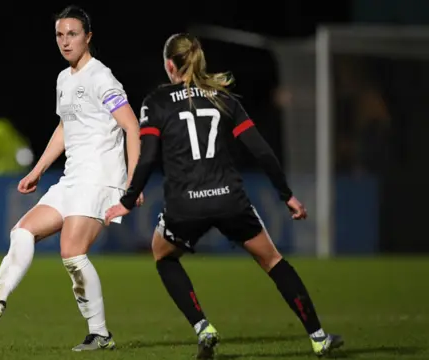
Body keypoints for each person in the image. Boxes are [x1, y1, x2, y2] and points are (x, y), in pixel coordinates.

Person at [104, 33, 344, 359]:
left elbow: (147, 158)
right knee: (273, 261)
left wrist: (128, 201)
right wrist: (285, 195)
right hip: (229, 199)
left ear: (170, 65)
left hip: (185, 204)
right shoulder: (223, 98)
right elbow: (261, 150)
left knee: (163, 255)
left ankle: (204, 327)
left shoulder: (156, 102)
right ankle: (318, 337)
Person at [0, 5, 143, 352]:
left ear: (88, 37)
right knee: (23, 231)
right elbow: (64, 128)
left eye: (72, 34)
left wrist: (134, 183)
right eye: (60, 34)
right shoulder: (63, 79)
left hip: (101, 178)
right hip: (73, 179)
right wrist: (38, 170)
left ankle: (100, 333)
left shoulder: (101, 77)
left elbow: (132, 127)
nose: (65, 41)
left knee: (72, 253)